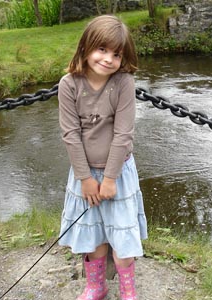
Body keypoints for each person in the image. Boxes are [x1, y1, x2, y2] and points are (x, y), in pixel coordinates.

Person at [58, 14, 147, 300]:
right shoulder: (69, 84)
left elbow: (123, 135)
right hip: (84, 174)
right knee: (93, 236)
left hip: (118, 174)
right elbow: (70, 135)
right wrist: (86, 179)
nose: (108, 59)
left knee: (121, 238)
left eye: (117, 54)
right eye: (102, 50)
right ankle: (96, 285)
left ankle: (128, 290)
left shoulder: (123, 84)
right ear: (85, 47)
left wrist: (110, 179)